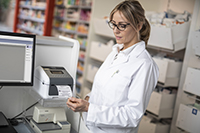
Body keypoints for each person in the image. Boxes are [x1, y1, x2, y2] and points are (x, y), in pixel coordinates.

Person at [67, 0, 159, 132]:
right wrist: (87, 99)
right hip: (89, 127)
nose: (115, 30)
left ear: (138, 26)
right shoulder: (116, 52)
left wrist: (89, 108)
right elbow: (105, 88)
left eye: (122, 26)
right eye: (113, 24)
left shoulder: (144, 64)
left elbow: (132, 116)